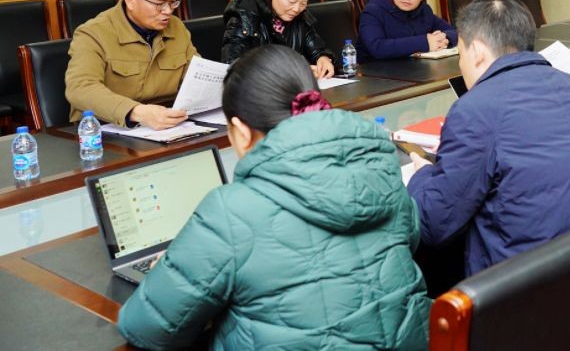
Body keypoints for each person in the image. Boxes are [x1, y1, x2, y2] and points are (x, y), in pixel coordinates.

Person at [117, 45, 429, 350]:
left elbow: (146, 328)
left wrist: (171, 269)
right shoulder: (380, 168)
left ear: (240, 131)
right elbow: (409, 240)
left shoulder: (231, 210)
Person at [406, 0, 570, 277]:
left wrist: (421, 175)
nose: (461, 65)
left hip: (529, 285)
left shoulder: (475, 110)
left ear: (477, 52)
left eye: (460, 54)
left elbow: (433, 224)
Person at [66, 0, 195, 129]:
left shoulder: (176, 27)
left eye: (173, 2)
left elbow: (195, 76)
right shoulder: (93, 33)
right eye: (160, 4)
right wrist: (136, 112)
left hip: (166, 124)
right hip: (104, 127)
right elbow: (80, 88)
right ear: (131, 0)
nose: (168, 11)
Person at [221, 0, 334, 78]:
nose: (296, 9)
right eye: (291, 2)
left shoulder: (300, 16)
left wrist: (323, 58)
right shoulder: (244, 16)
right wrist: (293, 71)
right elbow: (233, 66)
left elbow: (316, 49)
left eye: (303, 4)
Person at [357, 0, 456, 61]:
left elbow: (454, 32)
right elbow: (377, 48)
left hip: (415, 67)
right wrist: (425, 43)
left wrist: (443, 39)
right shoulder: (372, 12)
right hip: (375, 69)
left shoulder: (424, 10)